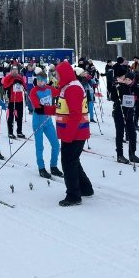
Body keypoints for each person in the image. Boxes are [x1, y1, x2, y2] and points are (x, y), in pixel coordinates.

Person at [54, 61, 93, 207]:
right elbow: (63, 108)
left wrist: (68, 136)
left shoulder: (73, 88)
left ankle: (73, 195)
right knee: (73, 160)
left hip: (74, 133)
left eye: (58, 74)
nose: (56, 77)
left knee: (68, 163)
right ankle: (86, 188)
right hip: (72, 132)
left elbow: (75, 114)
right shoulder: (68, 87)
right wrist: (44, 110)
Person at [28, 68, 62, 178]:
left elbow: (60, 91)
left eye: (42, 80)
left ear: (45, 80)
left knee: (56, 144)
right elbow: (38, 108)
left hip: (48, 121)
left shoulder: (49, 88)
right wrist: (54, 109)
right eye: (38, 80)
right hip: (38, 121)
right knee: (40, 146)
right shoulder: (33, 91)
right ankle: (41, 168)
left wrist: (64, 83)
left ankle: (53, 166)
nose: (40, 82)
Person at [110, 70, 139, 164]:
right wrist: (113, 87)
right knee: (120, 134)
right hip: (119, 113)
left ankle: (132, 154)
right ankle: (120, 155)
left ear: (132, 80)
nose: (127, 81)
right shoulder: (120, 88)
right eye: (126, 79)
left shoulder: (134, 88)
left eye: (129, 80)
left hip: (129, 114)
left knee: (132, 134)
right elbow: (113, 98)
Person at [2, 67, 27, 139]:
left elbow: (25, 87)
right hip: (12, 100)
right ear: (11, 71)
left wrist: (21, 82)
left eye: (16, 70)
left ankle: (19, 131)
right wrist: (12, 82)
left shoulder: (20, 77)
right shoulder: (8, 77)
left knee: (20, 116)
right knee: (11, 117)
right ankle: (10, 132)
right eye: (13, 70)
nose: (15, 71)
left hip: (20, 100)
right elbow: (5, 87)